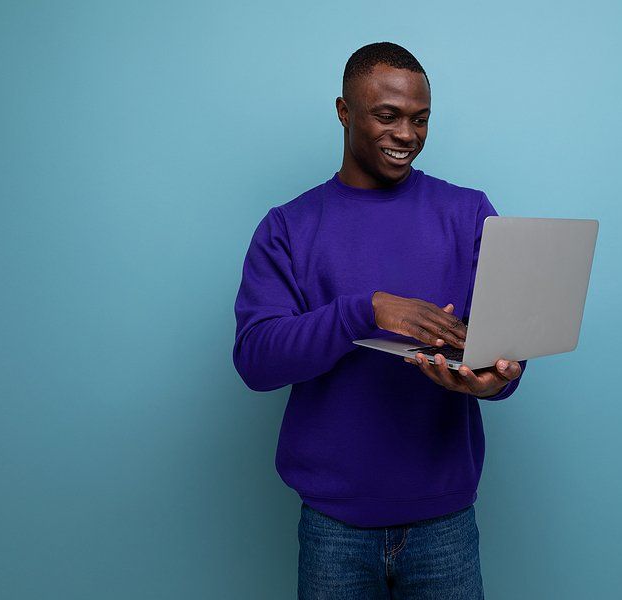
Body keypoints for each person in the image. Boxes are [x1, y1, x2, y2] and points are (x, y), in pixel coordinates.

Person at [232, 41, 527, 599]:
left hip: (446, 523)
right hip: (332, 528)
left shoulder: (468, 213)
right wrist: (365, 310)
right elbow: (255, 359)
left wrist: (496, 380)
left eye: (420, 119)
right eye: (386, 116)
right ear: (344, 112)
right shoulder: (288, 227)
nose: (406, 135)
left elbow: (507, 350)